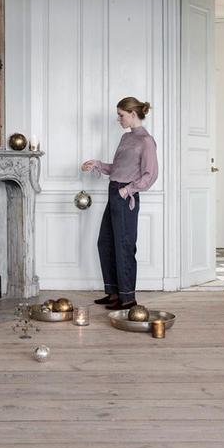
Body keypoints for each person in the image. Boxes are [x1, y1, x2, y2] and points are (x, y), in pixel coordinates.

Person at [81, 97, 158, 310]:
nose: (118, 119)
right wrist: (97, 164)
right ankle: (114, 293)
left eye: (121, 115)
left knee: (124, 246)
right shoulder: (126, 138)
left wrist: (128, 190)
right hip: (114, 192)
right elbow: (117, 168)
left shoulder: (146, 141)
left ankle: (128, 299)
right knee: (105, 242)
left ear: (133, 114)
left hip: (125, 196)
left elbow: (150, 175)